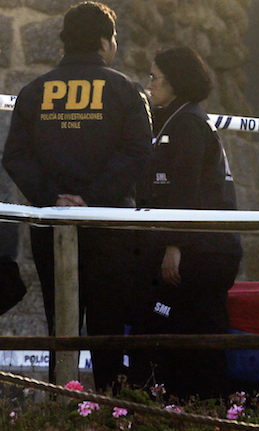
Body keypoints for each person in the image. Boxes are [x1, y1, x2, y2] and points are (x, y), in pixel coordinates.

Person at [1, 1, 152, 390]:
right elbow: (138, 152)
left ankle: (61, 403)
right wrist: (95, 198)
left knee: (60, 325)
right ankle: (110, 407)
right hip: (110, 226)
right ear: (105, 41)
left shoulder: (34, 91)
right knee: (108, 326)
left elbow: (14, 155)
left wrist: (53, 198)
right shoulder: (125, 90)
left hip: (51, 225)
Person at [131, 46, 243, 400]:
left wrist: (174, 245)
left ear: (175, 82)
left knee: (195, 340)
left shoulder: (188, 124)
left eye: (155, 77)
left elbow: (186, 190)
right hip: (194, 248)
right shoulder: (176, 119)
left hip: (201, 253)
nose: (149, 85)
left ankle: (206, 409)